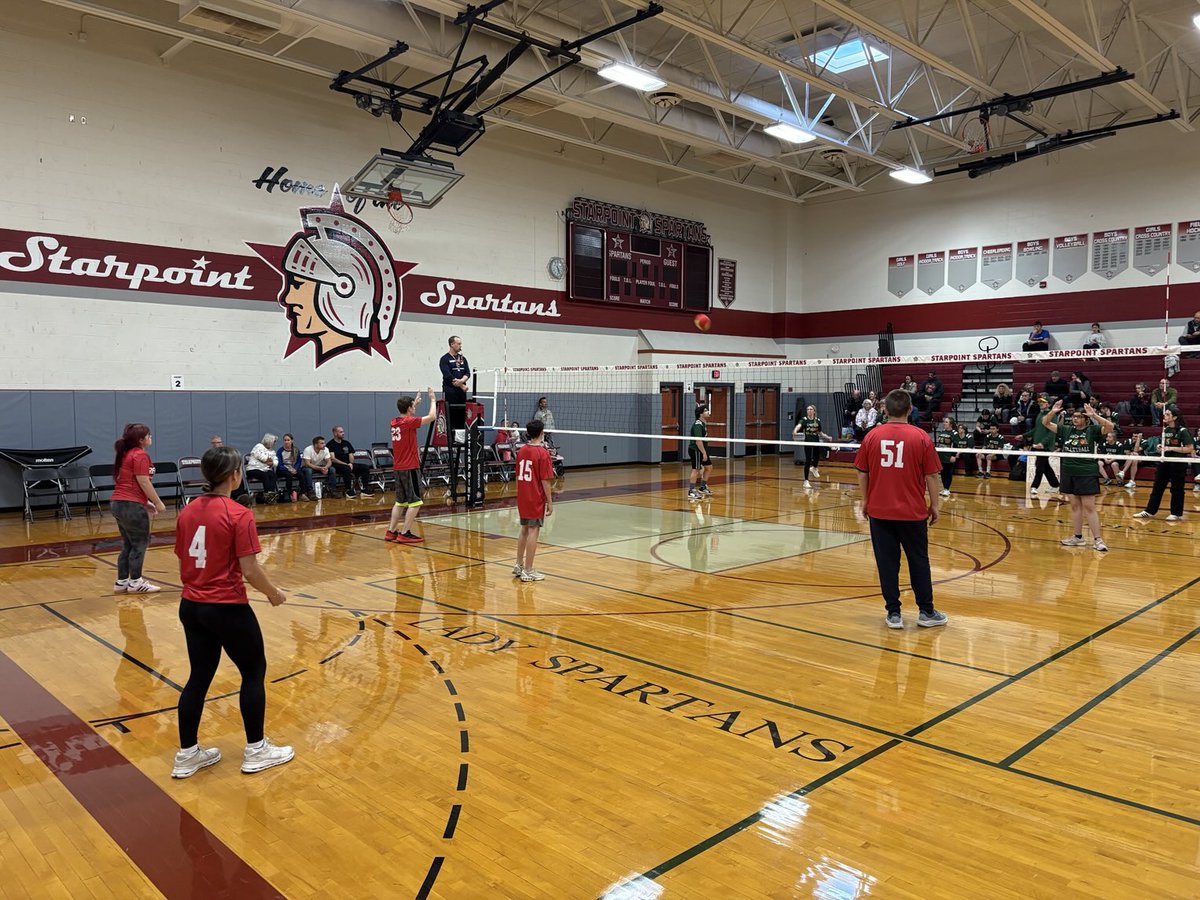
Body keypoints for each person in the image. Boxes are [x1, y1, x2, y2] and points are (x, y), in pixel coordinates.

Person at [170, 446, 293, 779]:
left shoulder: (187, 511)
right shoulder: (239, 514)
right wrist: (273, 593)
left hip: (191, 606)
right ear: (233, 475)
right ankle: (256, 750)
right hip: (226, 608)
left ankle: (187, 755)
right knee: (253, 672)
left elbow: (183, 559)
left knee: (199, 677)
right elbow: (250, 569)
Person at [854, 389, 948, 629]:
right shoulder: (921, 437)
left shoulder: (872, 436)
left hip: (880, 512)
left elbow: (862, 472)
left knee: (887, 563)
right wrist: (935, 505)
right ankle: (926, 612)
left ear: (885, 410)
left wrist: (865, 501)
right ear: (909, 410)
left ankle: (893, 614)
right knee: (918, 561)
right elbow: (932, 475)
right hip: (912, 513)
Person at [1041, 400, 1112, 550]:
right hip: (1068, 471)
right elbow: (1045, 423)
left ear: (1086, 419)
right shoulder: (1066, 430)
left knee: (1089, 506)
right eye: (1074, 416)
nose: (1075, 419)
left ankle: (1098, 540)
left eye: (1079, 417)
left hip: (1086, 472)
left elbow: (1110, 427)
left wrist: (1094, 415)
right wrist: (1052, 411)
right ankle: (1078, 537)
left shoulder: (1092, 430)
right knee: (1074, 505)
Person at [111, 423, 167, 594]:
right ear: (141, 440)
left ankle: (122, 582)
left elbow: (129, 483)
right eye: (149, 435)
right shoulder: (140, 455)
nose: (151, 438)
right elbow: (143, 481)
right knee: (139, 544)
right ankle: (136, 582)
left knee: (128, 544)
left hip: (119, 503)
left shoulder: (127, 454)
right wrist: (157, 502)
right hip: (130, 505)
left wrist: (144, 502)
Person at [386, 389, 436, 545]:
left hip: (399, 467)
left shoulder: (395, 421)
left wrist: (413, 404)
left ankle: (391, 531)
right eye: (412, 407)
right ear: (409, 409)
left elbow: (408, 417)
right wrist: (433, 400)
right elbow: (432, 417)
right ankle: (405, 532)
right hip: (410, 467)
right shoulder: (409, 422)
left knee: (400, 502)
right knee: (415, 501)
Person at [1133, 405, 1195, 521]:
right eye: (1164, 414)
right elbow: (1165, 446)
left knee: (1177, 488)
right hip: (1165, 462)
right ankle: (1149, 511)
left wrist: (1170, 448)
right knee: (1157, 486)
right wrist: (1160, 447)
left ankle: (1176, 513)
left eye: (1167, 414)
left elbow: (1189, 448)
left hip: (1178, 463)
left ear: (1175, 417)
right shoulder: (1165, 430)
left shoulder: (1182, 431)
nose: (1164, 416)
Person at [514, 419, 555, 582]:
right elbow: (545, 480)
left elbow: (517, 475)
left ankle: (519, 564)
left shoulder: (522, 450)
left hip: (523, 495)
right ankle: (529, 570)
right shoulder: (542, 453)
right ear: (542, 432)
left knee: (524, 529)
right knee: (533, 531)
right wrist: (549, 502)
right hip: (535, 497)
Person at [440, 335, 471, 475]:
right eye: (458, 343)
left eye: (461, 343)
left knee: (461, 416)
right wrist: (459, 384)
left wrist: (463, 381)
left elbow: (467, 373)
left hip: (461, 393)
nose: (460, 346)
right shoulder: (444, 359)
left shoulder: (462, 359)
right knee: (451, 415)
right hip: (450, 391)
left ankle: (459, 439)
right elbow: (447, 375)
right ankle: (451, 439)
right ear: (452, 344)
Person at [326, 425, 373, 498]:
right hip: (337, 465)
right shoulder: (330, 444)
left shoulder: (346, 443)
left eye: (343, 431)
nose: (343, 433)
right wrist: (346, 464)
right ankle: (348, 490)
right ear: (335, 433)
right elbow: (333, 458)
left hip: (348, 464)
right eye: (341, 432)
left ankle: (364, 489)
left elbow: (351, 455)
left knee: (365, 467)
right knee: (346, 468)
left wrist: (351, 463)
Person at [1028, 396, 1061, 494]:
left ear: (1049, 404)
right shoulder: (1040, 414)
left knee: (1040, 465)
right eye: (1039, 402)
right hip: (1038, 445)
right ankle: (1055, 485)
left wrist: (1043, 443)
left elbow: (1052, 432)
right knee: (1045, 466)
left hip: (1045, 446)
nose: (1040, 403)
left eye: (1043, 402)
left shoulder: (1052, 415)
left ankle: (1034, 486)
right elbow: (1036, 429)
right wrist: (1024, 435)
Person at [793, 404, 831, 488]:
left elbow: (819, 432)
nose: (809, 411)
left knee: (817, 457)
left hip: (816, 442)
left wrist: (827, 437)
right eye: (807, 409)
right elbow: (799, 426)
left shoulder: (817, 420)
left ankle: (814, 468)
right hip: (808, 442)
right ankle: (806, 481)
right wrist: (795, 431)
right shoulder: (804, 420)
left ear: (814, 411)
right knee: (808, 460)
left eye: (810, 409)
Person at [687, 405, 714, 501]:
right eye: (706, 411)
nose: (708, 412)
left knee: (709, 467)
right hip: (696, 450)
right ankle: (691, 490)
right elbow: (698, 441)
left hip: (702, 450)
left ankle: (702, 486)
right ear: (700, 414)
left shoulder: (703, 423)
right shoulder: (698, 425)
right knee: (696, 469)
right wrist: (704, 453)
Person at [275, 433, 310, 501]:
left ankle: (302, 493)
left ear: (292, 441)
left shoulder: (296, 450)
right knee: (289, 475)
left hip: (293, 468)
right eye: (285, 440)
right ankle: (290, 494)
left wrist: (295, 469)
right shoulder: (280, 451)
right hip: (283, 469)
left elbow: (298, 462)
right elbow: (279, 464)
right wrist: (289, 469)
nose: (286, 442)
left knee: (301, 474)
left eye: (288, 440)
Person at [245, 434, 279, 503]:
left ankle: (271, 493)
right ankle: (267, 494)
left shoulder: (272, 451)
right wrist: (268, 459)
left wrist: (272, 463)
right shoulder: (258, 446)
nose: (274, 444)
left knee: (272, 475)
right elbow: (261, 457)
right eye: (273, 442)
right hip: (252, 469)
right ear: (269, 441)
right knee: (264, 475)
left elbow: (276, 461)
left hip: (264, 469)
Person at [934, 417, 957, 497]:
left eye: (946, 422)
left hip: (949, 456)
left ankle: (947, 489)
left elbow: (956, 445)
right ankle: (944, 488)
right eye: (944, 422)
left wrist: (953, 456)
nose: (944, 423)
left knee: (948, 473)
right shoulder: (942, 432)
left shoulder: (954, 434)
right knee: (943, 473)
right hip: (941, 456)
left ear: (950, 424)